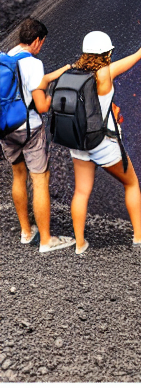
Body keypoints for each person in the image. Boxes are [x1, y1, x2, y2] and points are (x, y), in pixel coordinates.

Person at [66, 24, 141, 255]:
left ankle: (80, 244)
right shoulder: (106, 72)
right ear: (106, 53)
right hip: (103, 143)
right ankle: (139, 237)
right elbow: (140, 53)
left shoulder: (72, 73)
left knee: (81, 192)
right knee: (131, 184)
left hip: (78, 141)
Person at [0, 18, 74, 253]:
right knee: (40, 180)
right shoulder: (34, 64)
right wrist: (56, 96)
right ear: (37, 41)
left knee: (18, 175)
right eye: (42, 42)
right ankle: (46, 240)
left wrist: (55, 74)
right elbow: (41, 106)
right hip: (29, 128)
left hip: (6, 126)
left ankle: (26, 232)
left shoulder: (7, 57)